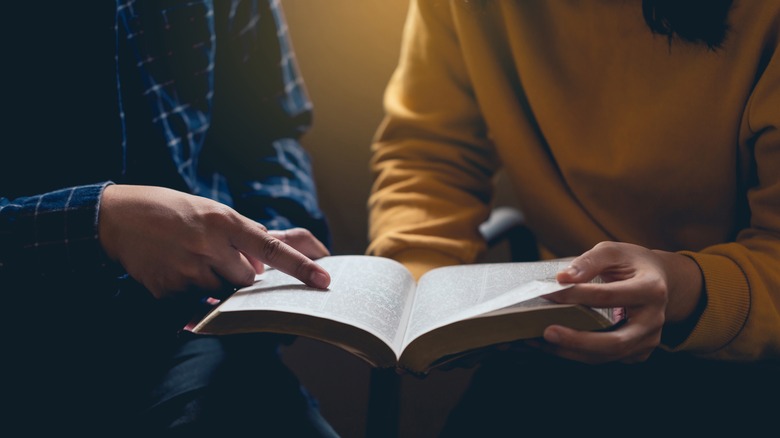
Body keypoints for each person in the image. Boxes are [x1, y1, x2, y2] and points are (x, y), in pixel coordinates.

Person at [368, 0, 779, 435]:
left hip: (739, 346)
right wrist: (422, 289)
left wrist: (681, 288)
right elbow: (429, 156)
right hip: (558, 330)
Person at [1, 1, 338, 436]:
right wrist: (99, 223)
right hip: (24, 332)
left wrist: (264, 236)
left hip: (192, 334)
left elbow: (271, 131)